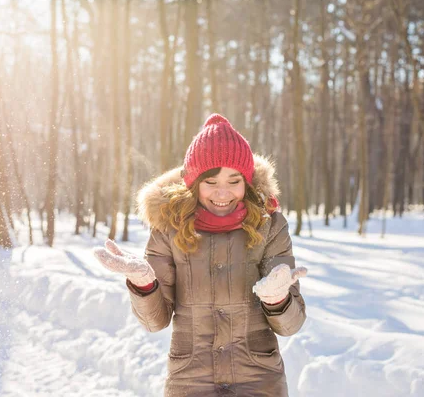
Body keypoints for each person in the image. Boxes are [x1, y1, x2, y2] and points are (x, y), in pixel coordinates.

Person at [94, 113, 307, 396]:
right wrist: (144, 284)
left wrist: (278, 299)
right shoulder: (168, 228)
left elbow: (291, 325)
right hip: (190, 382)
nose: (223, 193)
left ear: (247, 182)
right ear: (194, 182)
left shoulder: (270, 225)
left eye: (234, 181)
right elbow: (155, 321)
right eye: (211, 181)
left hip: (258, 381)